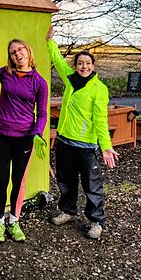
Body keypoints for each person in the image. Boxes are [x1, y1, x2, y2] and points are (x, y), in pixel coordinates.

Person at [46, 25, 118, 239]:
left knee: (91, 185)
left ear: (93, 66)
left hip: (86, 146)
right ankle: (67, 211)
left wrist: (105, 146)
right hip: (65, 141)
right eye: (80, 63)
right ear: (75, 66)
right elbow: (58, 61)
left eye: (87, 63)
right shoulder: (70, 79)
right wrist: (50, 42)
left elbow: (100, 120)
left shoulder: (99, 89)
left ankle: (96, 221)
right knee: (65, 180)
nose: (84, 66)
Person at [0, 38, 48, 242]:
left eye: (20, 49)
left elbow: (41, 113)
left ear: (28, 51)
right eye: (12, 52)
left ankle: (14, 221)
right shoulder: (5, 73)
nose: (17, 54)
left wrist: (38, 133)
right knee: (2, 180)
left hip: (24, 138)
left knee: (19, 181)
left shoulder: (39, 82)